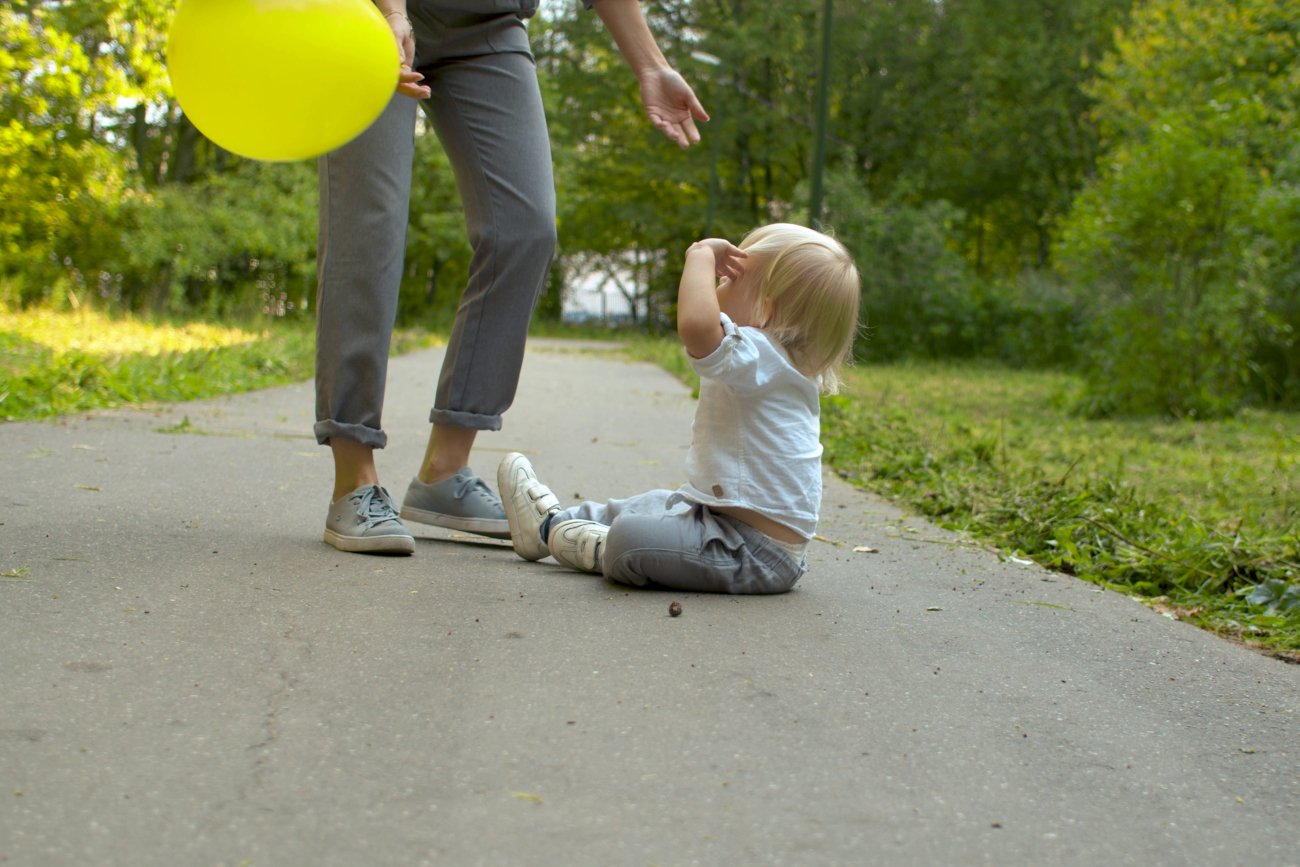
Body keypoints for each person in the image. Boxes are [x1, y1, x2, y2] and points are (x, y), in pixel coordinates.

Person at [317, 1, 709, 555]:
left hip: (488, 22)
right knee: (369, 227)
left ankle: (444, 471)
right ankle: (353, 475)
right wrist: (391, 10)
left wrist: (649, 64)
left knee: (524, 229)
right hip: (370, 13)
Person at [497, 223, 861, 594]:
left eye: (727, 280)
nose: (715, 286)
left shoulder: (763, 354)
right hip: (720, 523)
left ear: (764, 309)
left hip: (753, 553)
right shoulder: (776, 362)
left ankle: (599, 546)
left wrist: (700, 255)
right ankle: (548, 527)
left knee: (630, 536)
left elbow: (696, 327)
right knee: (649, 504)